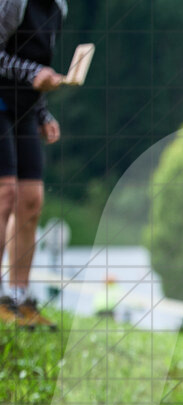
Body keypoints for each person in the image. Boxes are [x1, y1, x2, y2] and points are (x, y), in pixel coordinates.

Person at [0, 0, 66, 328]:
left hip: (23, 107)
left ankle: (18, 297)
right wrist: (33, 74)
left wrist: (43, 113)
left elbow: (39, 62)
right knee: (5, 194)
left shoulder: (58, 8)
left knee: (31, 200)